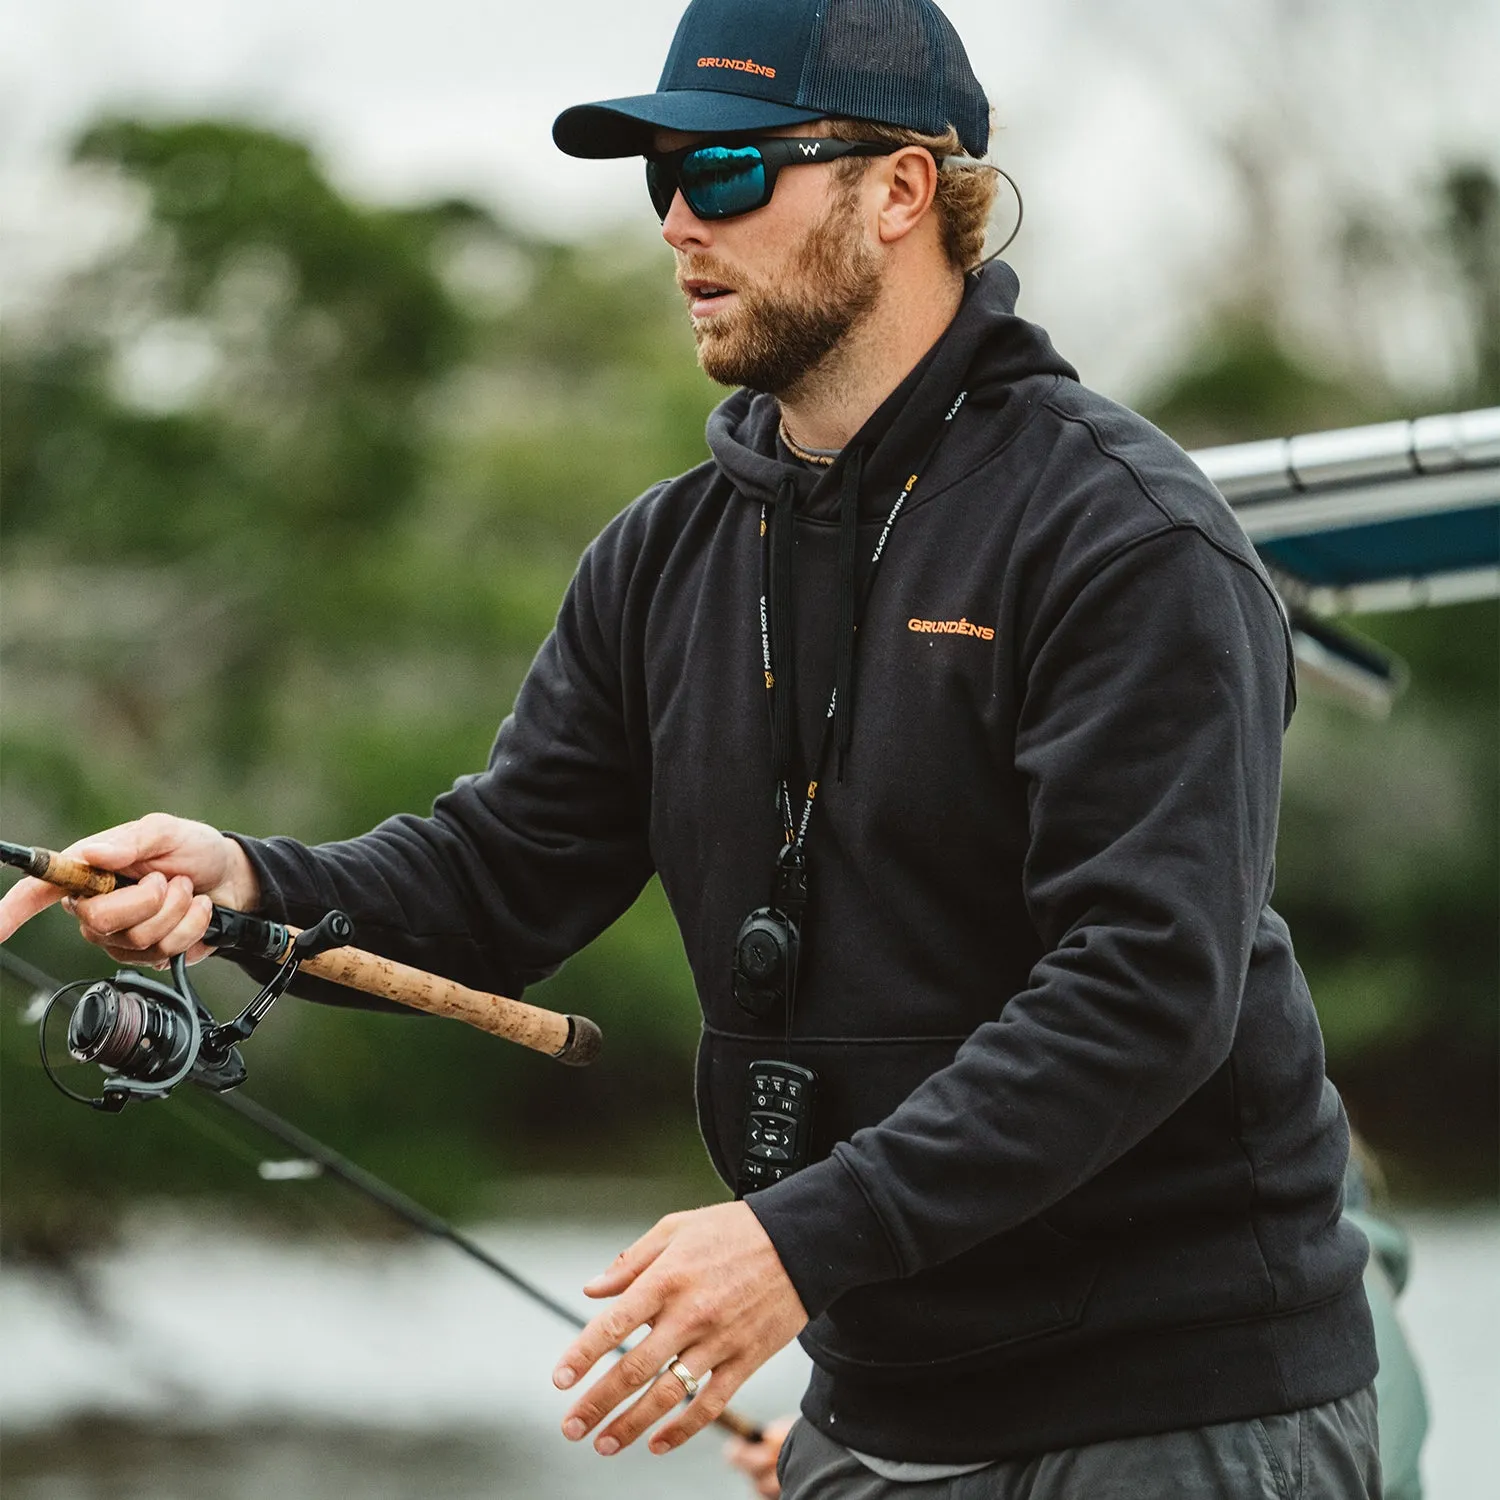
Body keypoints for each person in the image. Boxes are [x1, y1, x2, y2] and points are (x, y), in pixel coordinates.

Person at [0, 2, 1383, 1495]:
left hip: (1180, 1413)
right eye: (655, 175)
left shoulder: (1125, 539)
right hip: (888, 1409)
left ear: (901, 190)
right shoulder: (663, 558)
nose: (675, 222)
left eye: (723, 170)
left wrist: (799, 1242)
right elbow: (505, 871)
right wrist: (249, 881)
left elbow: (1145, 988)